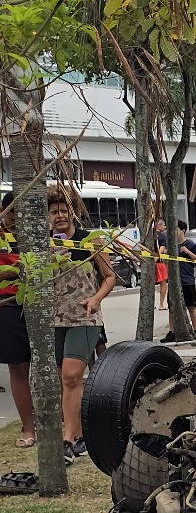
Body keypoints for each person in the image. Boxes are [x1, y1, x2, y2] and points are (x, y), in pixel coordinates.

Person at [49, 186, 115, 463]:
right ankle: (79, 435)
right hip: (53, 320)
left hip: (84, 318)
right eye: (54, 212)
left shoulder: (91, 241)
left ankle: (68, 439)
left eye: (64, 210)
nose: (60, 216)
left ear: (74, 213)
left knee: (72, 376)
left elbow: (110, 276)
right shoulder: (44, 244)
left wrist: (96, 299)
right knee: (63, 379)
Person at [0, 191, 35, 448]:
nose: (17, 219)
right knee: (18, 366)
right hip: (9, 305)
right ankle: (28, 427)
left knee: (54, 367)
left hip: (40, 303)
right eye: (13, 213)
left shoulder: (38, 235)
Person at [161, 221, 196, 342]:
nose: (174, 232)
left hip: (187, 280)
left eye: (176, 229)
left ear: (183, 230)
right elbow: (166, 262)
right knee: (172, 308)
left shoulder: (190, 244)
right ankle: (171, 332)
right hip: (174, 282)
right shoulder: (171, 246)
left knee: (191, 307)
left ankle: (195, 330)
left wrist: (187, 252)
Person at [154, 218, 168, 310]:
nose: (165, 227)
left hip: (149, 262)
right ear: (158, 226)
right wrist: (155, 260)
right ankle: (161, 304)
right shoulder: (162, 237)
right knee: (163, 284)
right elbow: (161, 251)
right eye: (163, 225)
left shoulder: (149, 236)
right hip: (159, 263)